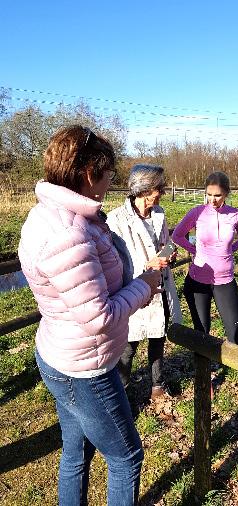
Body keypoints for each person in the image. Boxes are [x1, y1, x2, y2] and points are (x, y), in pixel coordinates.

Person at [18, 125, 161, 506]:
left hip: (62, 353)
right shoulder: (68, 232)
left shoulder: (53, 213)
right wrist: (145, 285)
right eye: (108, 171)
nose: (113, 178)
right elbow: (98, 316)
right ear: (88, 174)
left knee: (75, 451)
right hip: (85, 368)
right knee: (126, 457)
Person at [172, 171, 238, 406]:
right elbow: (178, 235)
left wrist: (228, 254)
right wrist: (195, 251)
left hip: (225, 280)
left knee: (235, 330)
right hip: (198, 280)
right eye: (208, 195)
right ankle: (204, 378)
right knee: (202, 332)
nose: (212, 200)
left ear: (227, 194)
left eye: (217, 195)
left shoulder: (236, 215)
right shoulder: (197, 213)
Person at [107, 164, 182, 399]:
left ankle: (157, 386)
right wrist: (146, 267)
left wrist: (170, 252)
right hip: (132, 289)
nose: (161, 191)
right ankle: (121, 392)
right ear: (145, 189)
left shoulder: (159, 213)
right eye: (158, 187)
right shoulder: (116, 220)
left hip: (160, 286)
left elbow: (167, 242)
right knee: (127, 346)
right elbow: (111, 263)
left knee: (158, 337)